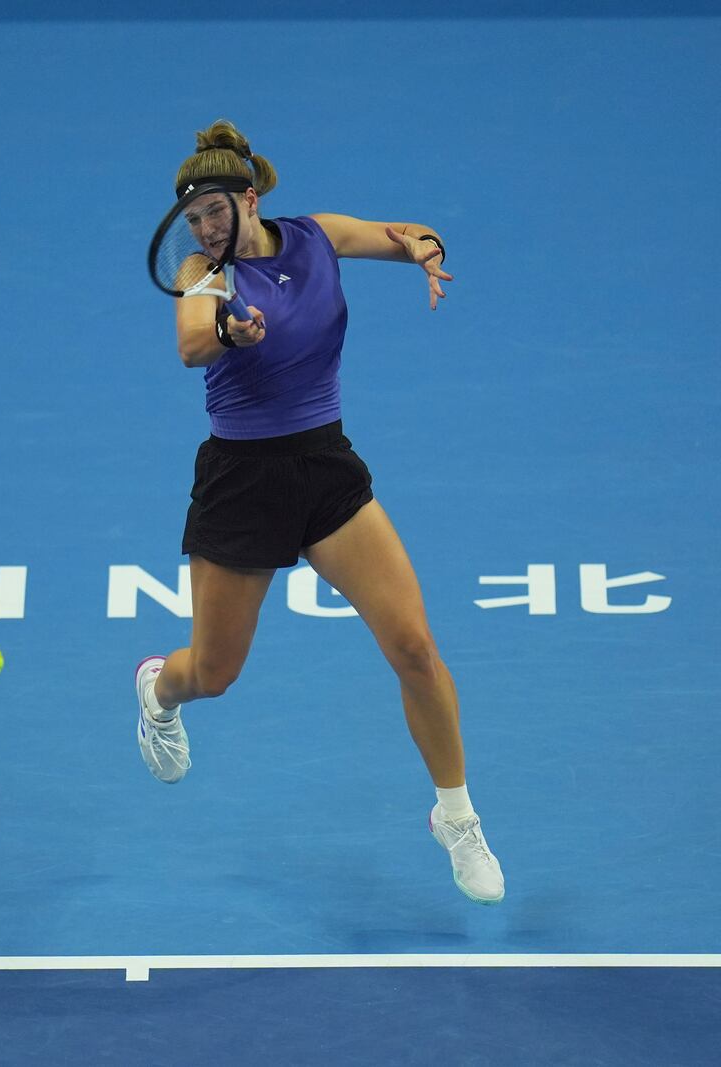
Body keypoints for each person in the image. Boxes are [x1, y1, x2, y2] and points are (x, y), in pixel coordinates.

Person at [134, 119, 504, 905]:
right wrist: (232, 330)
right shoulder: (206, 272)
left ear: (250, 198)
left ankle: (457, 817)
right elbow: (192, 342)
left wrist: (425, 254)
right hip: (243, 482)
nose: (204, 230)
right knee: (215, 672)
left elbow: (407, 233)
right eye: (193, 221)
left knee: (412, 645)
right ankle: (158, 691)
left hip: (326, 469)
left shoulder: (316, 236)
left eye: (214, 213)